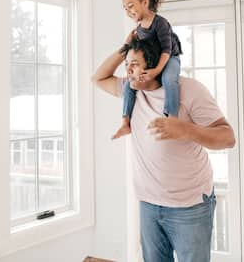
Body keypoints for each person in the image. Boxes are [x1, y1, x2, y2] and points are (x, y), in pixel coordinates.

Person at [92, 38, 236, 262]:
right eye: (126, 64)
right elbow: (98, 78)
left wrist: (185, 130)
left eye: (134, 64)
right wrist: (126, 48)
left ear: (154, 66)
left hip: (190, 205)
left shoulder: (189, 90)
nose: (128, 71)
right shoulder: (132, 90)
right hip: (149, 204)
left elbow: (227, 138)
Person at [112, 0, 182, 140]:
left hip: (169, 57)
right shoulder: (139, 28)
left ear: (145, 2)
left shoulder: (160, 23)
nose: (128, 11)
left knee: (169, 79)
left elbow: (166, 50)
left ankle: (172, 118)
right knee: (130, 83)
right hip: (153, 60)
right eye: (125, 8)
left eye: (131, 6)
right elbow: (136, 52)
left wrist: (156, 70)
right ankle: (125, 122)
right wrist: (127, 42)